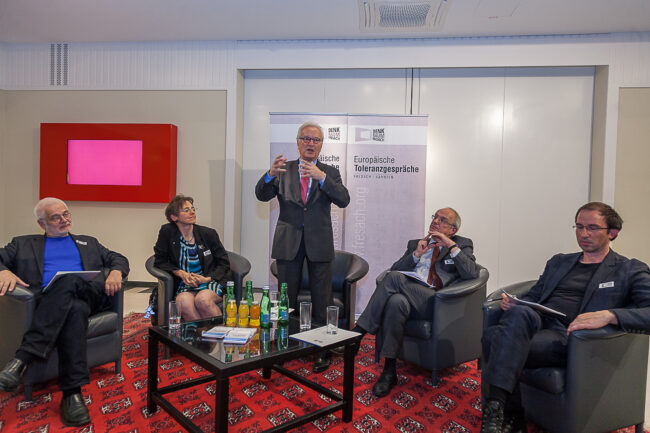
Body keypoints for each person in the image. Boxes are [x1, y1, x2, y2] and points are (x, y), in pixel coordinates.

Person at [481, 202, 650, 433]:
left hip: (571, 337)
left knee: (494, 337)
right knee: (518, 313)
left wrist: (610, 315)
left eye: (592, 227)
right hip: (538, 321)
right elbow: (535, 296)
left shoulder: (629, 269)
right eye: (579, 227)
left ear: (612, 232)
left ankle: (504, 413)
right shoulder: (559, 261)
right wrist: (516, 302)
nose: (584, 234)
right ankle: (501, 412)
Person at [0, 197, 129, 427]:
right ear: (42, 224)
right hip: (49, 303)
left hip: (89, 295)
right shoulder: (22, 244)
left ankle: (23, 358)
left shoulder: (88, 241)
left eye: (66, 214)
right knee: (74, 310)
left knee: (69, 280)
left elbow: (118, 258)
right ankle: (72, 394)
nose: (64, 220)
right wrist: (3, 271)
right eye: (56, 217)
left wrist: (116, 272)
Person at [352, 207, 481, 397]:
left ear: (453, 229)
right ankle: (389, 371)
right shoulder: (416, 243)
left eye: (442, 220)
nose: (435, 221)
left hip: (436, 303)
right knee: (396, 302)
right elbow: (394, 270)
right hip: (408, 296)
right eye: (435, 217)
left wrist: (450, 245)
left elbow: (471, 273)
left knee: (394, 279)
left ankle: (358, 332)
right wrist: (416, 255)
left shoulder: (462, 244)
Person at [255, 121, 350, 372]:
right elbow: (261, 195)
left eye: (315, 140)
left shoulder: (329, 172)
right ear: (298, 142)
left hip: (319, 243)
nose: (310, 143)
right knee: (286, 299)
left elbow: (344, 199)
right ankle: (284, 345)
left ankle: (321, 351)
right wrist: (269, 175)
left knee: (322, 300)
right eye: (306, 139)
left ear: (321, 145)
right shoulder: (283, 169)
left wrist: (322, 178)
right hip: (289, 242)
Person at [153, 194, 231, 321]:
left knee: (203, 300)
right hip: (185, 285)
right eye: (186, 210)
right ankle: (202, 333)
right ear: (174, 217)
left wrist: (207, 278)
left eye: (193, 209)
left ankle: (220, 333)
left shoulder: (208, 234)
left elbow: (224, 263)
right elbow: (160, 260)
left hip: (210, 281)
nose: (192, 212)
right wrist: (181, 273)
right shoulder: (167, 232)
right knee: (183, 302)